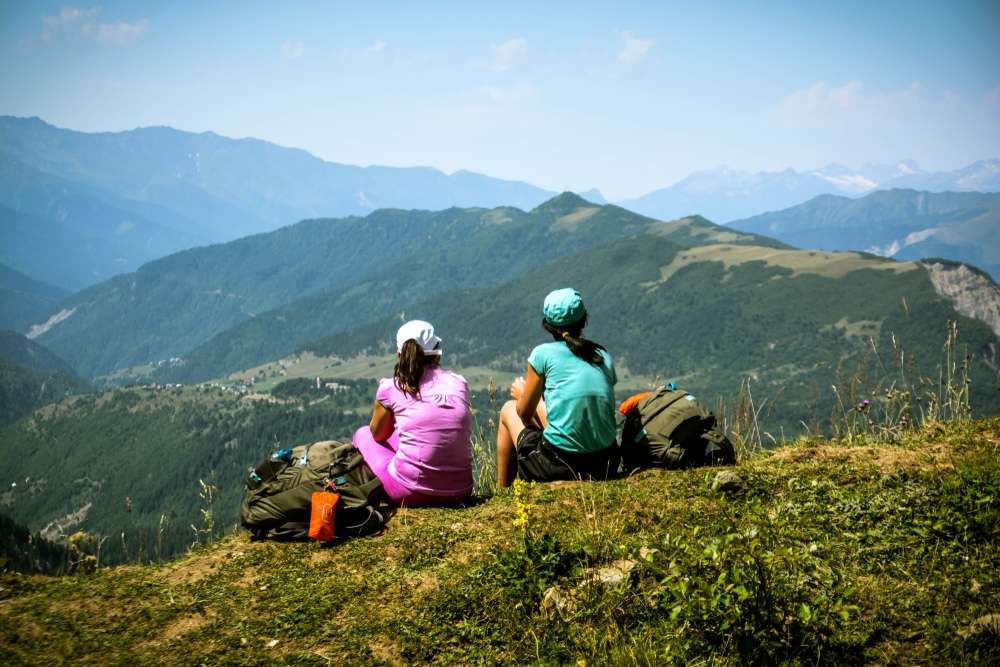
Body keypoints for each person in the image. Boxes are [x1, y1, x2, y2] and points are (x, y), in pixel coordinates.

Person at [496, 288, 619, 488]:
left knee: (508, 409)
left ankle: (502, 489)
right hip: (606, 463)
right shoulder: (602, 355)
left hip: (558, 464)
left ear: (547, 326)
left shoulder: (542, 354)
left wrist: (522, 395)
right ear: (584, 320)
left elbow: (524, 415)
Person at [352, 320, 474, 506]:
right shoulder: (460, 383)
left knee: (363, 434)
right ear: (437, 353)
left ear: (399, 354)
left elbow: (378, 434)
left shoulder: (391, 387)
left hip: (409, 491)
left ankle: (362, 498)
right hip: (461, 490)